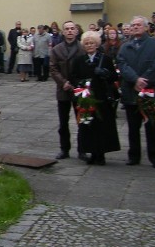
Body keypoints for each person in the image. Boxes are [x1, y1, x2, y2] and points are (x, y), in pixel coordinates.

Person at [116, 15, 155, 168]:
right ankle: (134, 155)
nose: (135, 27)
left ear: (146, 27)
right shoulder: (125, 46)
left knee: (152, 127)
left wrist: (144, 80)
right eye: (133, 25)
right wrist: (135, 79)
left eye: (138, 25)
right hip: (131, 91)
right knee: (133, 128)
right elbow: (122, 64)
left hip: (150, 91)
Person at [69, 30, 121, 165]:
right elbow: (73, 76)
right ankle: (91, 152)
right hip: (86, 97)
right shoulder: (79, 60)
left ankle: (101, 154)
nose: (89, 45)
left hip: (102, 97)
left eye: (92, 43)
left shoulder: (105, 59)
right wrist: (80, 83)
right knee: (88, 125)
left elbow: (114, 77)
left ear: (97, 44)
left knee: (102, 126)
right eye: (86, 43)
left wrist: (105, 73)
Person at [49, 20, 85, 160]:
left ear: (76, 31)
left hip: (79, 89)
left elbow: (85, 68)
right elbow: (53, 68)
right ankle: (64, 149)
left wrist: (76, 84)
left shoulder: (82, 48)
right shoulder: (57, 49)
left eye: (72, 28)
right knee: (63, 123)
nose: (70, 31)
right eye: (67, 29)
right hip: (63, 89)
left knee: (82, 121)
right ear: (63, 32)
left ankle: (82, 149)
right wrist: (63, 82)